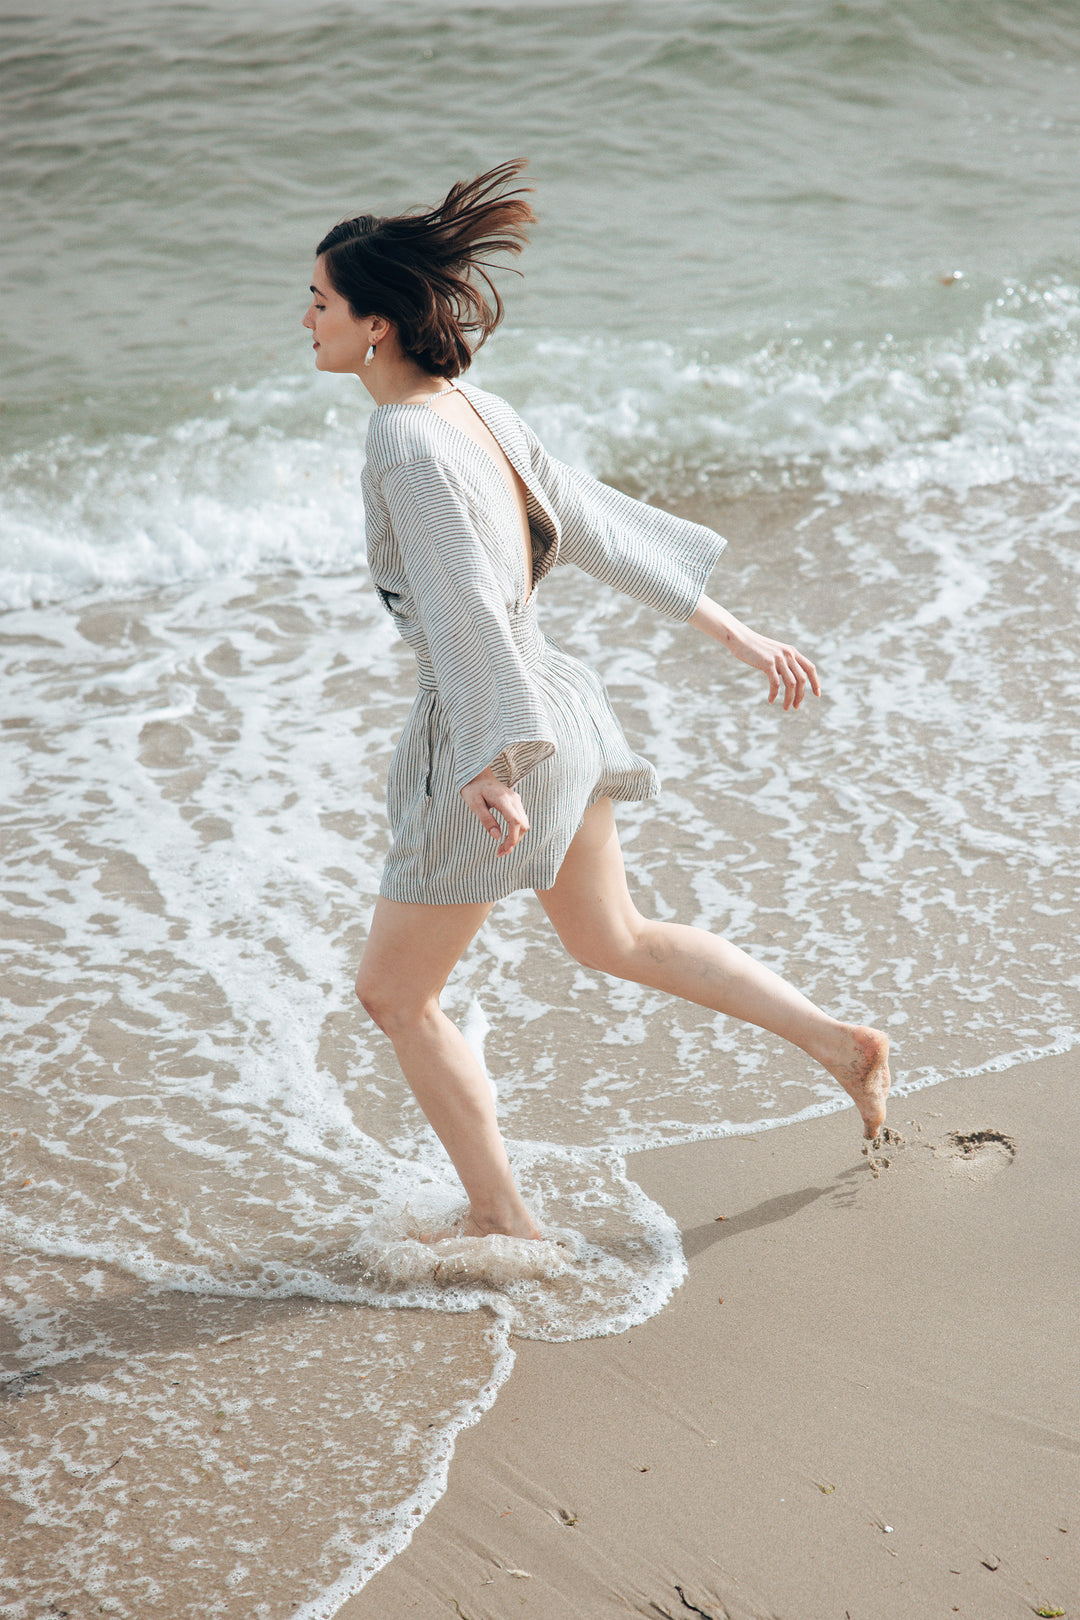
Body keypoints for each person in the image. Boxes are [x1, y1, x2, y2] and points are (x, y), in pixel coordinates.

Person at [302, 161, 890, 1243]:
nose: (308, 321)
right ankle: (832, 1041)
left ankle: (504, 1218)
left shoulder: (402, 437)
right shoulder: (475, 409)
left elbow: (464, 602)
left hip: (492, 723)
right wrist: (732, 626)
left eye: (322, 303)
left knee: (394, 999)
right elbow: (593, 522)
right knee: (615, 937)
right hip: (561, 703)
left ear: (376, 325)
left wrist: (489, 755)